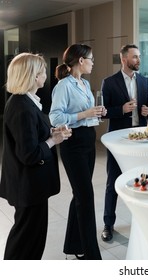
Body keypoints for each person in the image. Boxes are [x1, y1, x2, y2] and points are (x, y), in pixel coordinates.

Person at [0, 53, 71, 259]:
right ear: (33, 76)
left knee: (31, 238)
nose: (46, 75)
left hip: (30, 187)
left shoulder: (26, 102)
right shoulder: (22, 107)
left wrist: (50, 133)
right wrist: (53, 141)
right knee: (25, 242)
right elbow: (29, 154)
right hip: (28, 187)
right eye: (42, 72)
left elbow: (30, 137)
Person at [49, 44, 106, 260]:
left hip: (88, 141)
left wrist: (97, 113)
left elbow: (87, 114)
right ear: (81, 60)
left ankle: (73, 244)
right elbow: (55, 118)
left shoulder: (84, 83)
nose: (93, 62)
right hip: (73, 144)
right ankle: (92, 256)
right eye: (91, 58)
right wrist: (84, 115)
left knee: (80, 196)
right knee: (86, 197)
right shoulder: (64, 86)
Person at [100, 44, 148, 242]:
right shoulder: (109, 82)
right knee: (112, 181)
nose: (138, 60)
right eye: (135, 57)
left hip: (140, 139)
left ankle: (143, 223)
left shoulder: (144, 81)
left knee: (141, 181)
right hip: (118, 140)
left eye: (139, 56)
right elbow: (104, 112)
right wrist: (121, 109)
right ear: (124, 59)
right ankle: (108, 224)